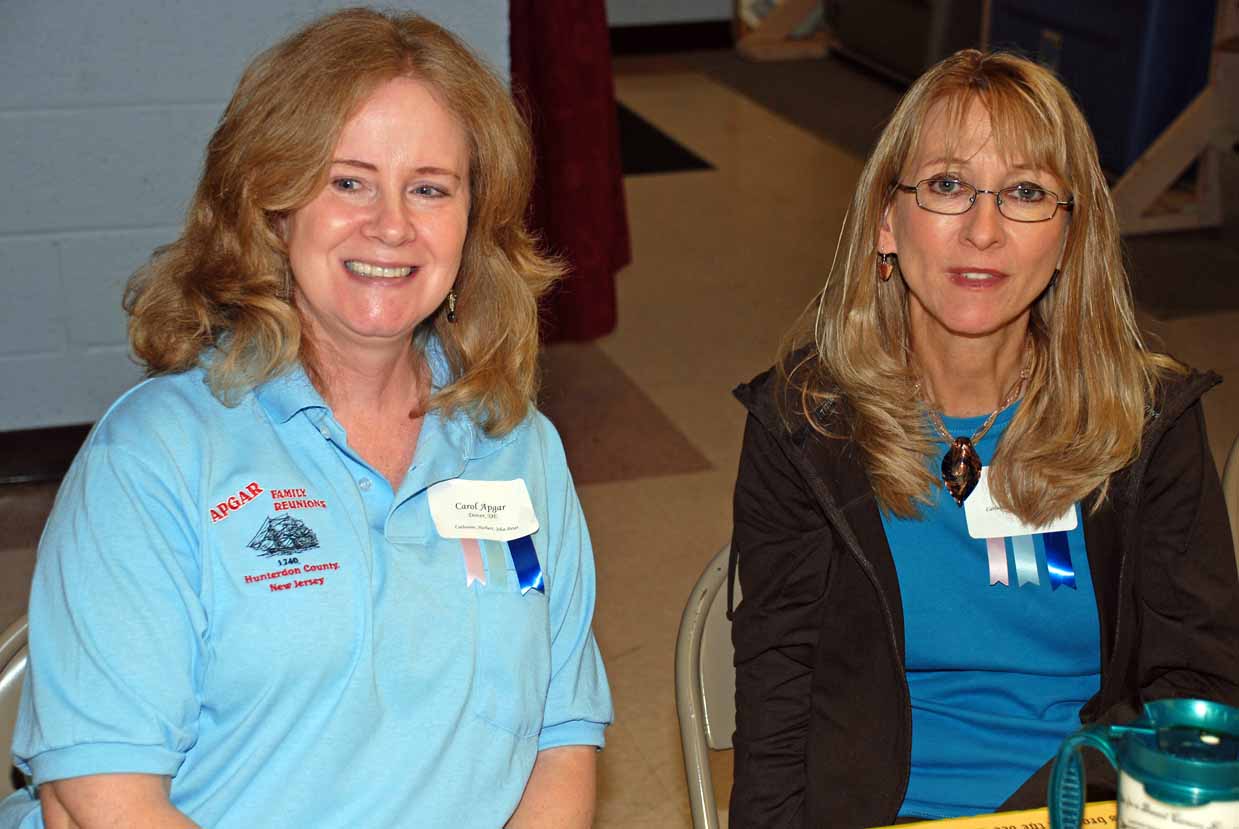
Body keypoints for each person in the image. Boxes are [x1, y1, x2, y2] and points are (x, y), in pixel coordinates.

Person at [0, 9, 611, 829]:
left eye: (429, 188)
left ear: (474, 222)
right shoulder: (155, 458)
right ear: (272, 206)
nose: (390, 224)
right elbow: (101, 797)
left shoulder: (515, 446)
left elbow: (559, 738)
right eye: (348, 181)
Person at [728, 49, 1239, 827]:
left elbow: (1195, 685)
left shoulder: (1144, 421)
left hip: (1090, 806)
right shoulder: (806, 422)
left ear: (1068, 237)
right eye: (946, 185)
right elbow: (777, 695)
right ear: (886, 221)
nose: (982, 230)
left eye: (1025, 192)